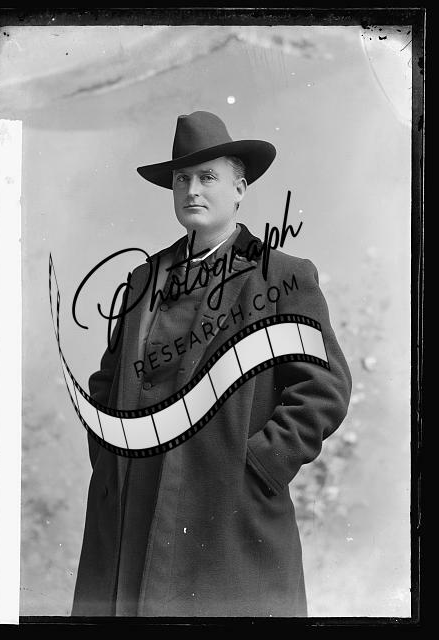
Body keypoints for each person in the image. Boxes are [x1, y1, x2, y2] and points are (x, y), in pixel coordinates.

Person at [71, 111, 352, 617]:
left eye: (207, 177)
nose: (192, 190)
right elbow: (107, 382)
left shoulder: (279, 276)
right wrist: (111, 462)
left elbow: (323, 389)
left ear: (240, 189)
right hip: (135, 508)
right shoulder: (143, 279)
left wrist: (257, 466)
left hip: (226, 510)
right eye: (182, 179)